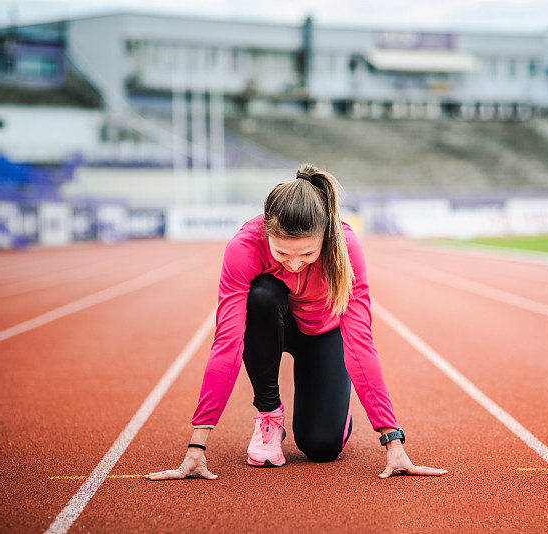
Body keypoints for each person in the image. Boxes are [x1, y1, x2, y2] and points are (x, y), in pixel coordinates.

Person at [146, 165, 446, 480]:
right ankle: (269, 415)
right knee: (260, 295)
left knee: (322, 448)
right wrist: (197, 446)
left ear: (325, 237)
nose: (293, 264)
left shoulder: (346, 246)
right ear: (266, 233)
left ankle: (331, 405)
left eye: (306, 254)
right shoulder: (244, 246)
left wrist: (392, 439)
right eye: (282, 253)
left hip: (322, 332)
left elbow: (360, 344)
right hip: (270, 321)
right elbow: (228, 342)